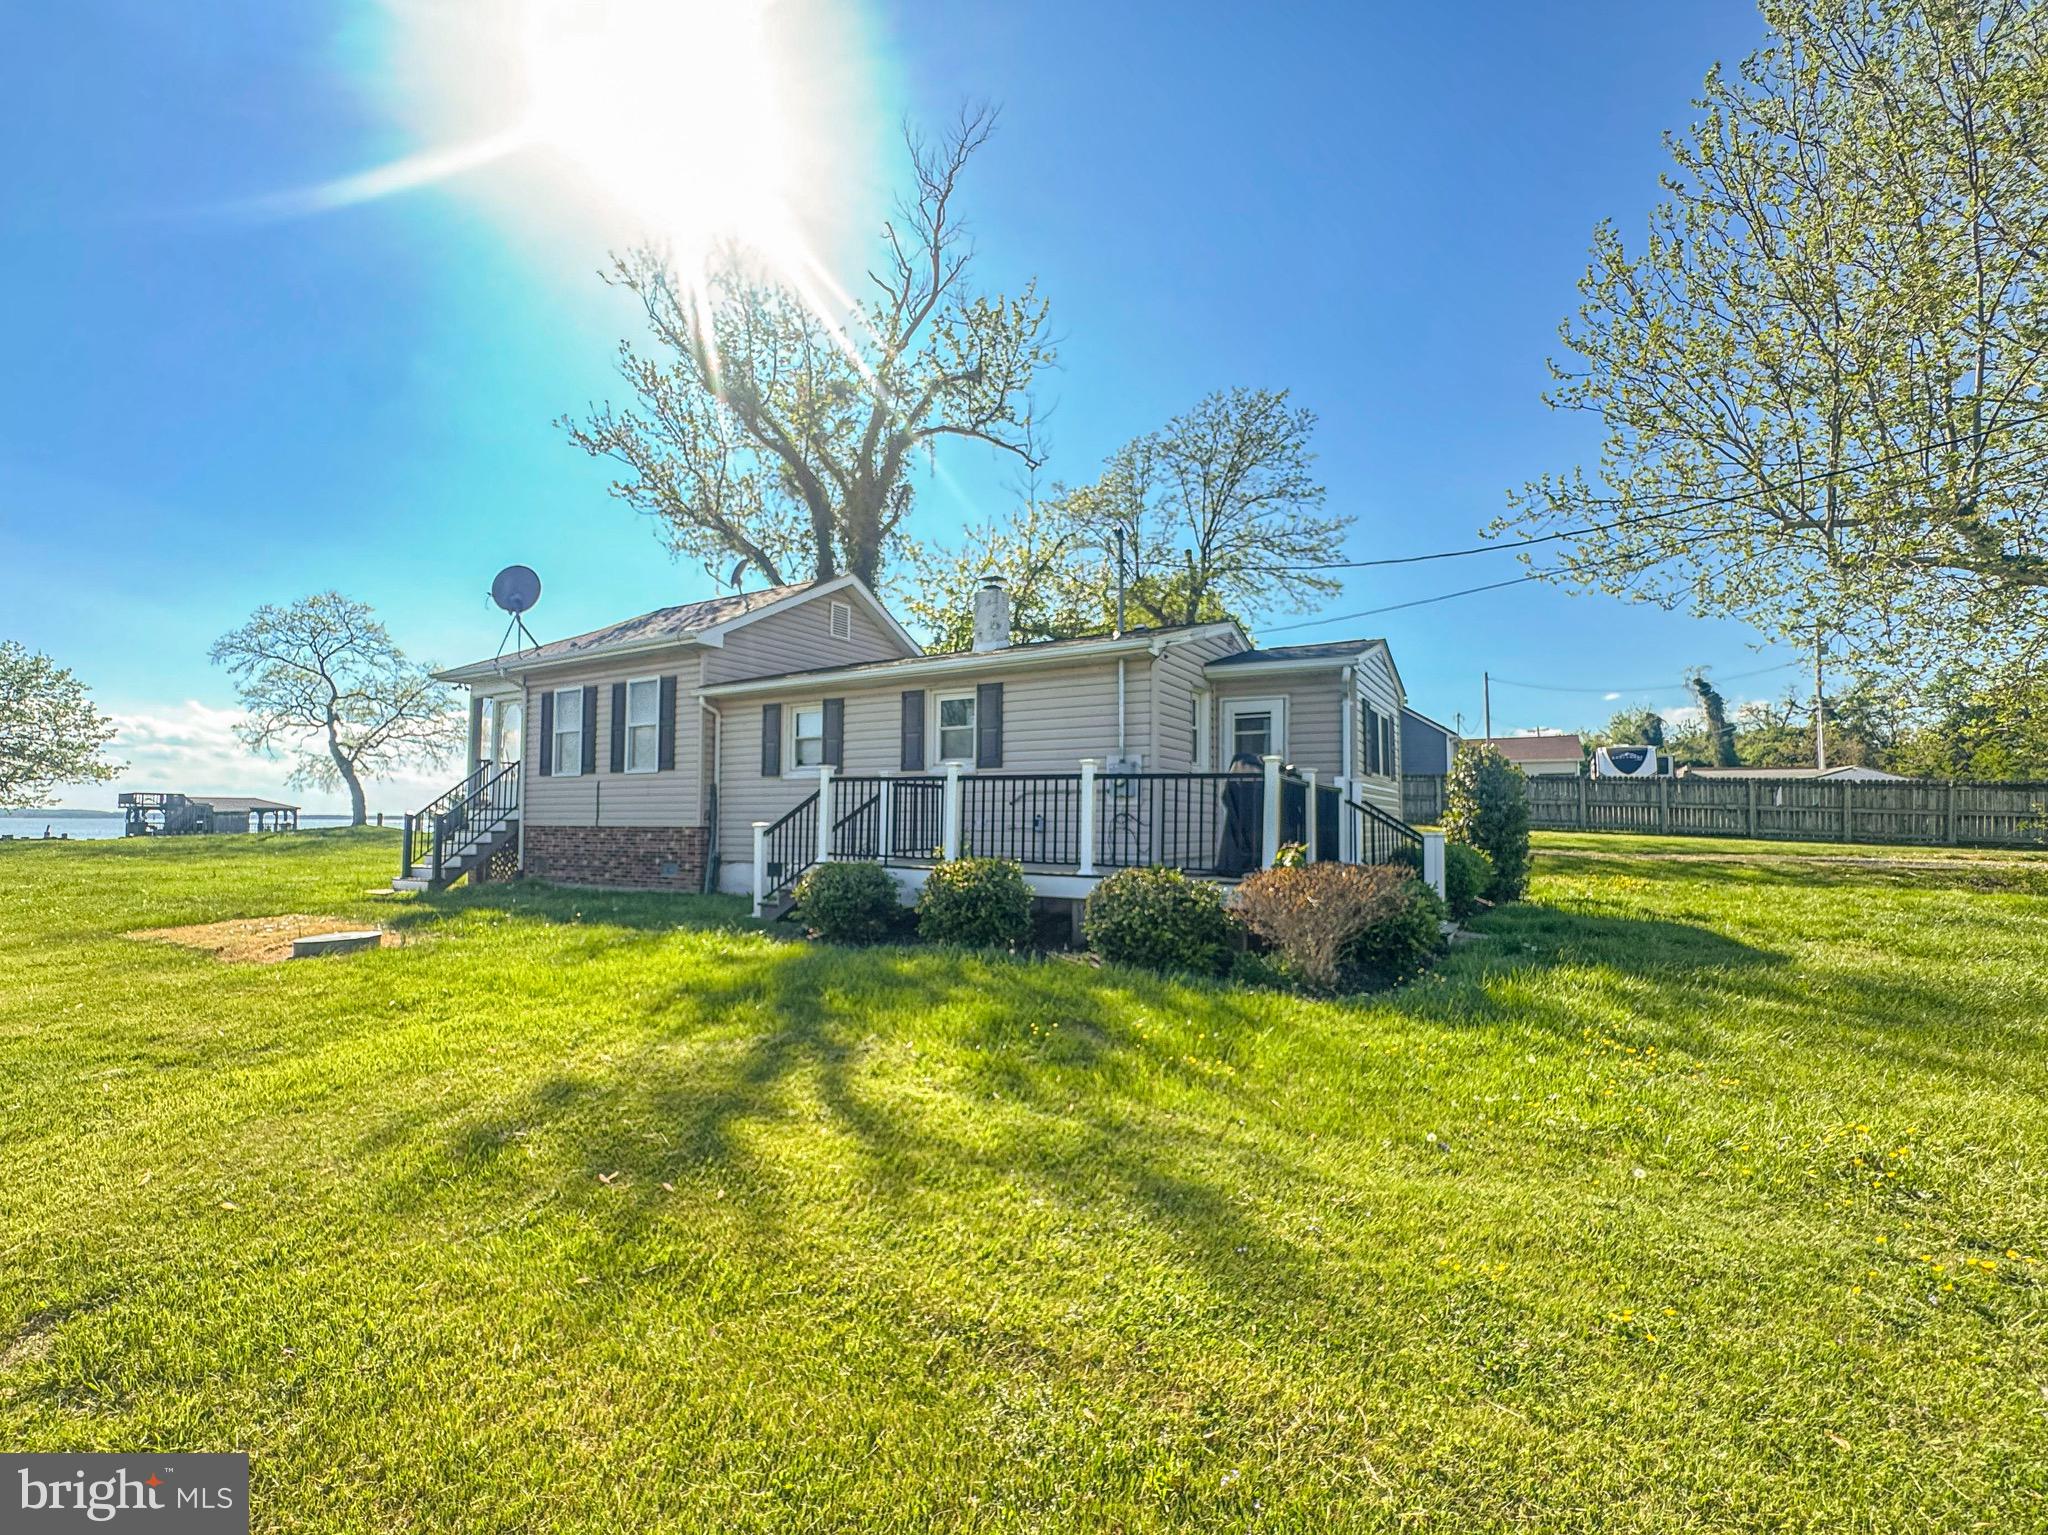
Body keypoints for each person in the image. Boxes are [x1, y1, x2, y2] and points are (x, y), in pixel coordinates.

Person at [1215, 752, 1264, 875]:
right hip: (1239, 817)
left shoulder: (1247, 781)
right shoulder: (1254, 781)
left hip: (1243, 817)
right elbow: (1226, 797)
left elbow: (1225, 797)